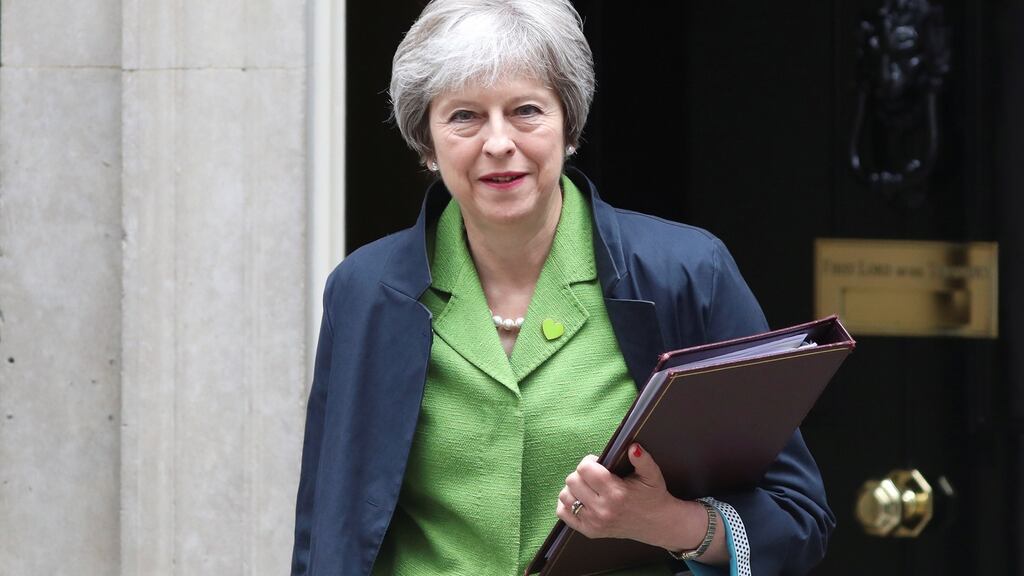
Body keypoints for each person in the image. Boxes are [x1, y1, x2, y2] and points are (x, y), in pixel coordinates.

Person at [291, 0, 835, 574]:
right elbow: (323, 529)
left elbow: (797, 521)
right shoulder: (365, 290)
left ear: (569, 126)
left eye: (526, 110)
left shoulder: (688, 273)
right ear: (426, 143)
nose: (498, 142)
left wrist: (664, 521)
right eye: (464, 117)